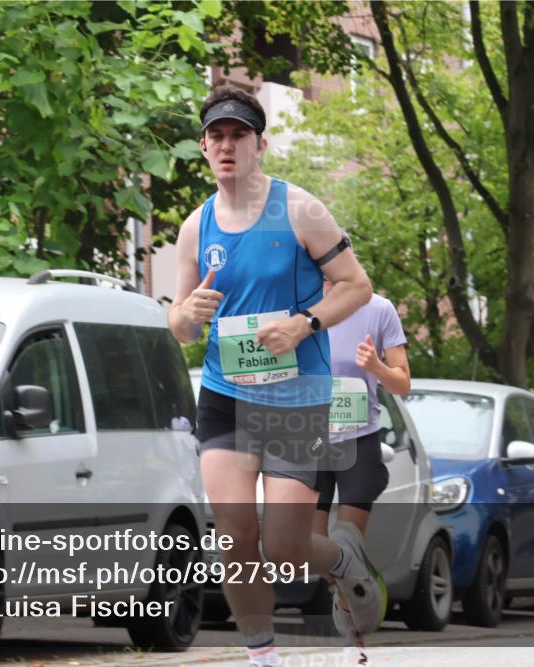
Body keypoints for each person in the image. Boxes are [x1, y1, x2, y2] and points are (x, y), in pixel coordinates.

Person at [168, 85, 380, 667]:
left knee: (284, 548)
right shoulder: (196, 226)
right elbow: (180, 324)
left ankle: (340, 560)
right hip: (226, 395)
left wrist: (303, 324)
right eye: (217, 135)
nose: (227, 145)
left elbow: (356, 285)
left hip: (296, 396)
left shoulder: (300, 209)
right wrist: (185, 316)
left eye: (239, 135)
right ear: (205, 147)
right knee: (235, 537)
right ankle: (263, 657)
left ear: (261, 144)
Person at [312, 279, 411, 662]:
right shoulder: (298, 306)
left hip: (359, 439)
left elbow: (402, 383)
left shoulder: (378, 309)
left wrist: (377, 367)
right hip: (310, 439)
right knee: (312, 548)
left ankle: (353, 639)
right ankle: (351, 589)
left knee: (347, 540)